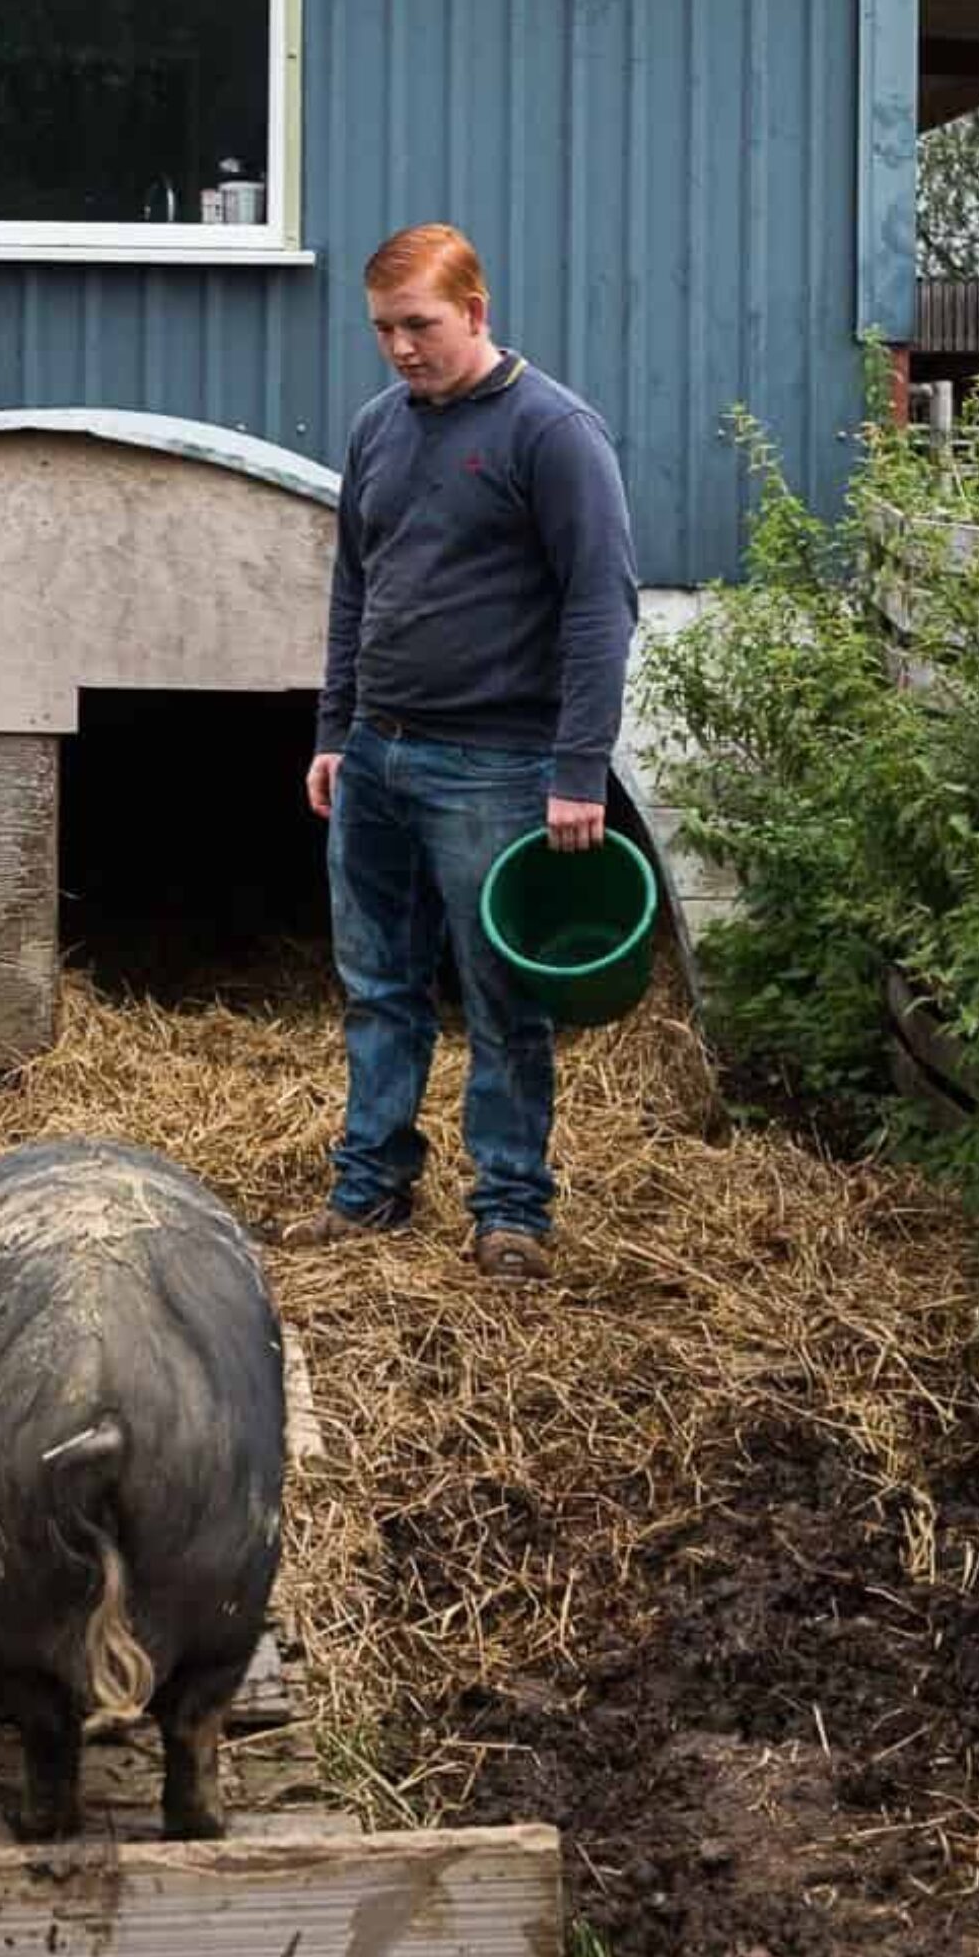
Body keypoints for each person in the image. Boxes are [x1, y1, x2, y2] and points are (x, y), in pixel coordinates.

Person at [279, 223, 638, 1283]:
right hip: (378, 758)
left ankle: (511, 1210)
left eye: (420, 326)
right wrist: (334, 727)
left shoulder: (552, 431)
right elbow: (357, 585)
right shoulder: (377, 430)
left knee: (498, 996)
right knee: (376, 983)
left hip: (496, 763)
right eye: (384, 329)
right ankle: (369, 1187)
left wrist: (579, 769)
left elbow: (598, 607)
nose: (400, 348)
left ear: (476, 313)